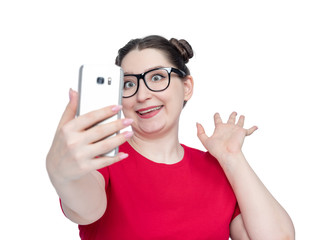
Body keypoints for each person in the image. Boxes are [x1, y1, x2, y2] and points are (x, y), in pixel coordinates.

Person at [46, 35, 295, 239]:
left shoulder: (218, 169)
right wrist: (64, 175)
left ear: (186, 87)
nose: (142, 95)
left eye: (157, 77)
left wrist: (233, 158)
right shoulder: (102, 158)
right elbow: (87, 210)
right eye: (129, 84)